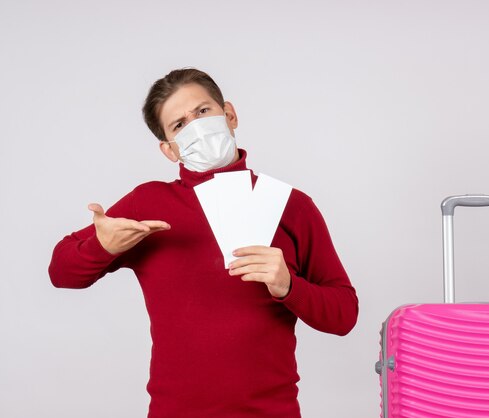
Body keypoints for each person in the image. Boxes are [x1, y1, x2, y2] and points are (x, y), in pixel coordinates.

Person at [48, 68, 358, 418]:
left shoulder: (290, 204)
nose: (195, 126)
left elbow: (344, 314)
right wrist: (101, 247)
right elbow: (61, 272)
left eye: (202, 112)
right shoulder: (149, 203)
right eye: (179, 125)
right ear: (169, 150)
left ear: (229, 114)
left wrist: (289, 286)